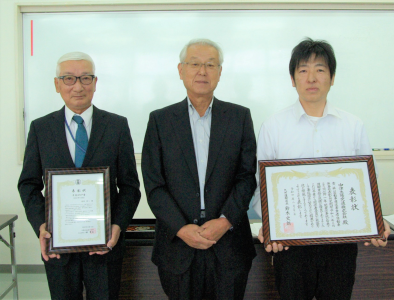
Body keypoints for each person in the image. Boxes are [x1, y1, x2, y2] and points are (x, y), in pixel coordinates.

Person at [253, 38, 390, 300]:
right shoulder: (273, 126)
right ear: (293, 79)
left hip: (340, 246)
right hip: (290, 247)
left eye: (320, 69)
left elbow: (366, 182)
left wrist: (374, 219)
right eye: (303, 70)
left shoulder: (352, 125)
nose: (311, 77)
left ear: (332, 77)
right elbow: (263, 185)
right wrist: (271, 227)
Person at [18, 52, 141, 299]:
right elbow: (29, 184)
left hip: (105, 247)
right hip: (59, 248)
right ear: (57, 84)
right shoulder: (41, 128)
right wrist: (41, 226)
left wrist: (117, 225)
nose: (78, 86)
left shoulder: (116, 126)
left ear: (95, 83)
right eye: (68, 78)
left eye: (85, 78)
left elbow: (129, 186)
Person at [141, 39, 257, 300]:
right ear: (181, 70)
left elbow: (246, 177)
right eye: (194, 64)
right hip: (177, 247)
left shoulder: (239, 117)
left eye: (210, 64)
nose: (202, 71)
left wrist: (225, 221)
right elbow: (153, 184)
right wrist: (181, 228)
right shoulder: (160, 120)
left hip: (228, 245)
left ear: (220, 72)